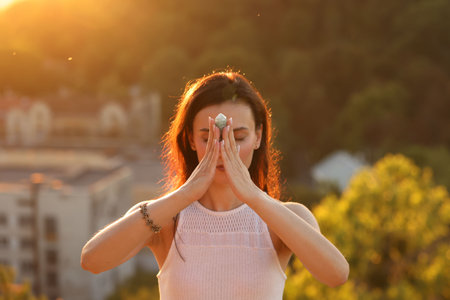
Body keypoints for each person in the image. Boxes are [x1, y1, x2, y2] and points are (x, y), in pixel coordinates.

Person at [80, 71, 349, 299]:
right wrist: (186, 194)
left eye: (239, 137)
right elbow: (92, 260)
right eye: (208, 138)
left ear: (258, 137)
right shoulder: (168, 219)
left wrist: (254, 196)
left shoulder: (285, 219)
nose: (223, 150)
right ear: (190, 140)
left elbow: (336, 274)